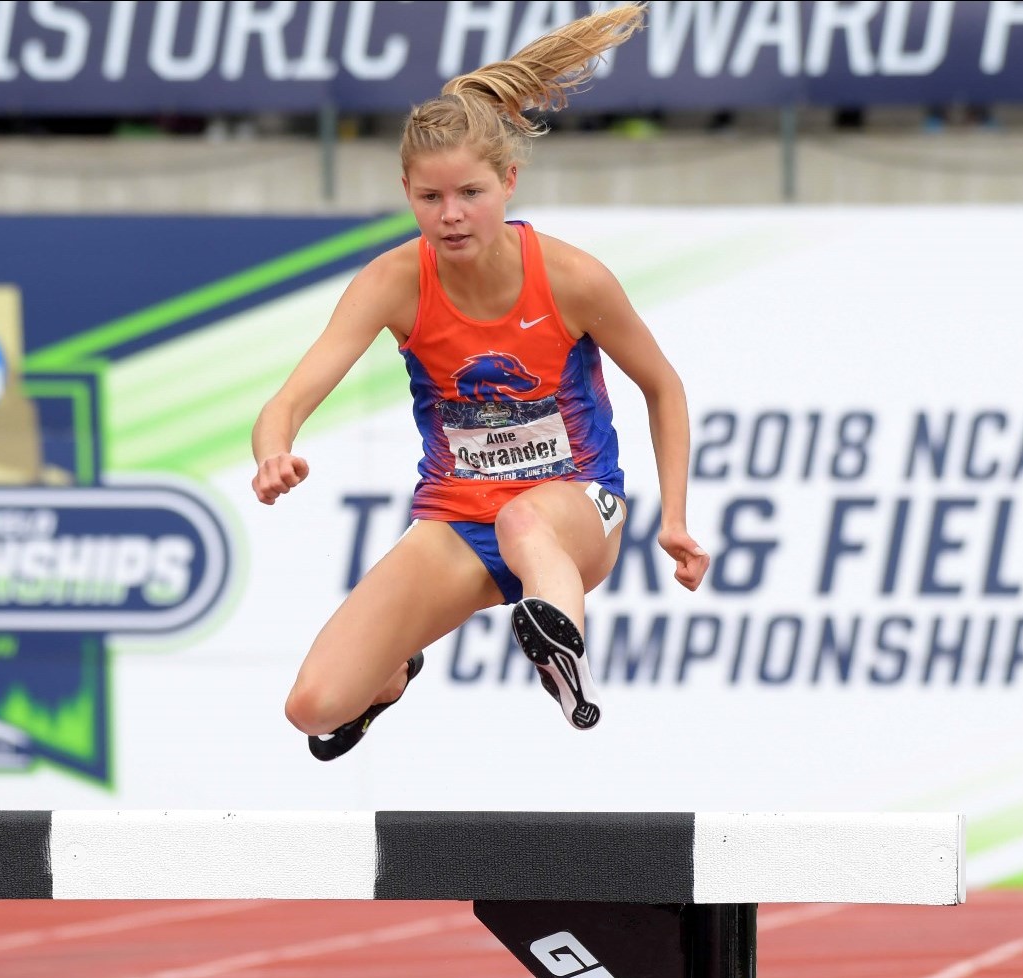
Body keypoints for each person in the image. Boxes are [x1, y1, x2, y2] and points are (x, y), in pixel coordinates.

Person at [250, 6, 708, 761]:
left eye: (471, 194)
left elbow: (663, 386)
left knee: (524, 524)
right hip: (457, 520)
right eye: (431, 200)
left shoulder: (572, 279)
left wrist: (676, 519)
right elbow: (288, 401)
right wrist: (274, 451)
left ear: (509, 181)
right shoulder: (394, 281)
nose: (452, 217)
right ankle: (393, 677)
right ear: (407, 191)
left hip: (575, 507)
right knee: (314, 706)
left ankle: (563, 661)